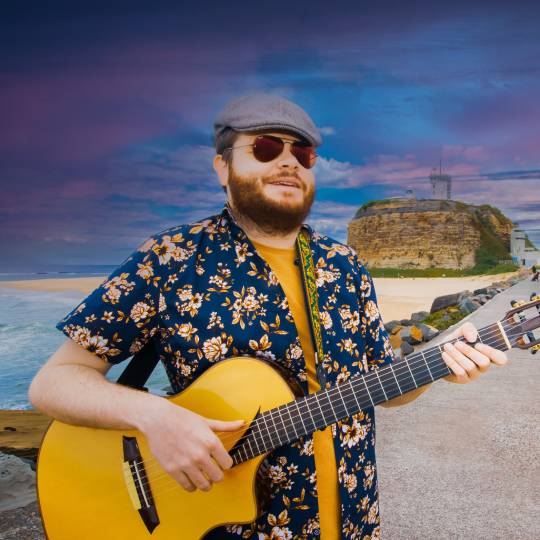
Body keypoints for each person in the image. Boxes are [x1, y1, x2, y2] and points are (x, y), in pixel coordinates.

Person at [29, 94, 508, 539]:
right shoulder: (171, 258)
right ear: (223, 166)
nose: (287, 161)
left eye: (303, 153)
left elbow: (383, 388)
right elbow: (54, 383)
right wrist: (155, 416)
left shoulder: (344, 265)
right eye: (264, 147)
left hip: (354, 519)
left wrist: (441, 363)